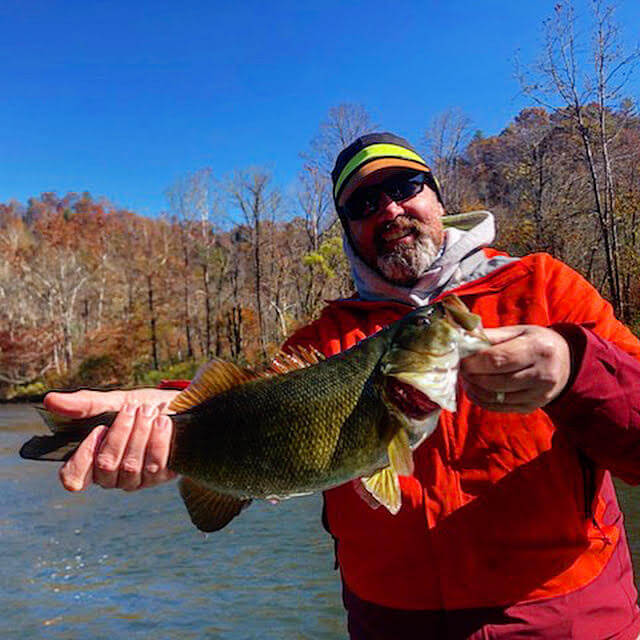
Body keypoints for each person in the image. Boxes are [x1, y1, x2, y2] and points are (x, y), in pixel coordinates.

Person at [45, 132, 640, 639]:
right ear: (350, 228)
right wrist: (164, 424)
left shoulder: (545, 287)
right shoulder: (320, 340)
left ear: (437, 196)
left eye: (406, 186)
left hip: (566, 619)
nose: (389, 209)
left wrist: (576, 368)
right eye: (364, 202)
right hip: (389, 623)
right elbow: (251, 415)